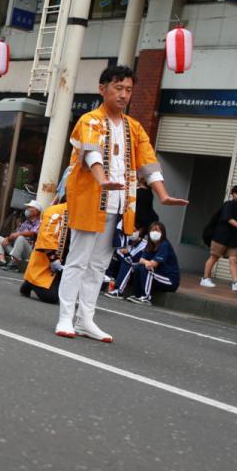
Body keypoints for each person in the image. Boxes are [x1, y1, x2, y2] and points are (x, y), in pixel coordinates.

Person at [55, 65, 187, 343]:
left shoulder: (134, 127)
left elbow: (149, 164)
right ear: (102, 89)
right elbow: (91, 154)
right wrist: (102, 180)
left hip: (119, 206)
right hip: (90, 201)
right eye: (118, 87)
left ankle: (86, 320)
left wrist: (162, 194)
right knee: (78, 262)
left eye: (128, 89)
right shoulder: (90, 120)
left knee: (99, 266)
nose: (124, 94)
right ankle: (66, 317)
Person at [112, 221, 180, 305]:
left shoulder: (164, 245)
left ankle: (146, 297)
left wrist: (147, 263)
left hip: (169, 280)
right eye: (152, 230)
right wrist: (147, 262)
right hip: (157, 276)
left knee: (146, 269)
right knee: (138, 268)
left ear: (162, 233)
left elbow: (154, 264)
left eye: (157, 231)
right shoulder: (150, 245)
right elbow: (141, 260)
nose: (155, 233)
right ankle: (137, 295)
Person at [21, 202, 70, 304]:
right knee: (52, 298)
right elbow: (46, 236)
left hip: (66, 259)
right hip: (48, 258)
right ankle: (30, 283)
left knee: (68, 295)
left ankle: (33, 282)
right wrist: (53, 258)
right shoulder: (54, 210)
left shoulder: (80, 213)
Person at [201, 184, 237, 291]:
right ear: (233, 194)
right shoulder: (228, 205)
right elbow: (228, 218)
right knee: (214, 257)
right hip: (221, 236)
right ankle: (205, 278)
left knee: (234, 259)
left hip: (232, 238)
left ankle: (236, 282)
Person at [0, 200, 41, 270]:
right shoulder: (25, 222)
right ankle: (2, 260)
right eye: (27, 207)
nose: (27, 209)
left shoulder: (40, 222)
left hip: (29, 252)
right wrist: (8, 239)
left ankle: (14, 263)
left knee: (20, 238)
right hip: (17, 250)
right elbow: (15, 234)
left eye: (29, 207)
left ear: (36, 211)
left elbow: (33, 233)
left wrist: (19, 234)